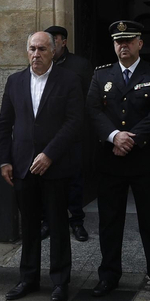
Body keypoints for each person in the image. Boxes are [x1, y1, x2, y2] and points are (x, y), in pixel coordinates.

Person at [87, 21, 150, 298]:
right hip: (111, 160)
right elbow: (92, 110)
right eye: (118, 42)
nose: (123, 46)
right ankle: (109, 275)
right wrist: (114, 136)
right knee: (110, 221)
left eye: (128, 41)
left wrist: (131, 139)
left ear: (140, 43)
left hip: (145, 158)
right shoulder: (101, 75)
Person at [0, 31, 84, 301]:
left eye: (42, 49)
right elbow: (4, 124)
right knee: (30, 225)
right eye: (32, 49)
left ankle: (60, 281)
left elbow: (74, 122)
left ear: (54, 51)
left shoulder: (68, 80)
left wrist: (49, 154)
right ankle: (28, 278)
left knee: (58, 225)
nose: (37, 54)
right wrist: (4, 160)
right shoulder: (15, 81)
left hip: (55, 166)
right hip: (22, 166)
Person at [45, 24, 93, 242]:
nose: (51, 43)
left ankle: (76, 221)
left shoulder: (80, 65)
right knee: (46, 180)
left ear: (63, 41)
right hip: (47, 134)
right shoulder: (42, 63)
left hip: (73, 132)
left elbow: (89, 99)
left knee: (74, 180)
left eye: (54, 39)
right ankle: (48, 221)